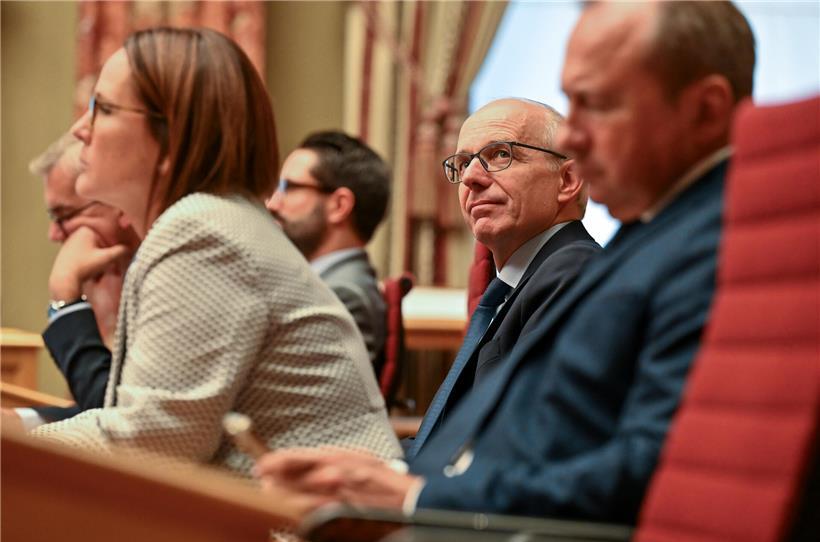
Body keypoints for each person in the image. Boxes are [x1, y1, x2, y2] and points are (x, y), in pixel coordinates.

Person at [254, 0, 755, 523]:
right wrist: (387, 477)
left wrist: (413, 498)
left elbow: (646, 475)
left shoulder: (716, 257)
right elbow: (528, 439)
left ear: (706, 110)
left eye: (598, 103)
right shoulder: (646, 240)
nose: (576, 137)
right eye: (463, 163)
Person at [29, 27, 401, 476]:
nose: (79, 129)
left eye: (103, 109)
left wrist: (18, 443)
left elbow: (152, 441)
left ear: (171, 136)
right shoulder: (215, 220)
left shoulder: (202, 231)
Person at [404, 98, 600, 460]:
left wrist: (401, 488)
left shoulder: (572, 276)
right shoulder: (524, 281)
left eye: (500, 155)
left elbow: (518, 451)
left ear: (568, 180)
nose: (471, 178)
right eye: (462, 163)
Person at [9, 133, 140, 430]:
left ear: (119, 205)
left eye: (64, 215)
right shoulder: (120, 273)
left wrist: (65, 296)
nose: (54, 235)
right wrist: (22, 422)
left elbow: (122, 425)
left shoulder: (167, 269)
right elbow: (111, 407)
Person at [266, 131, 390, 373]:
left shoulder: (343, 295)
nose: (273, 203)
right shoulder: (333, 284)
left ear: (339, 205)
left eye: (289, 187)